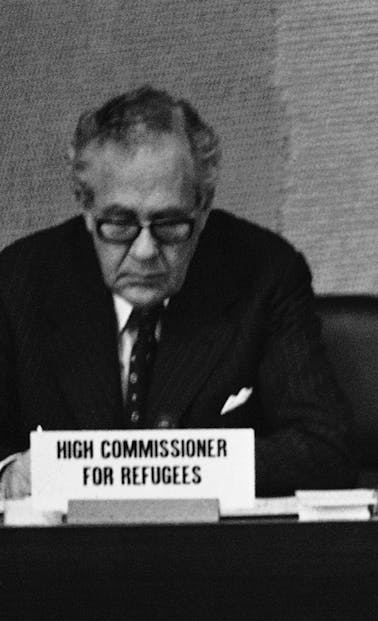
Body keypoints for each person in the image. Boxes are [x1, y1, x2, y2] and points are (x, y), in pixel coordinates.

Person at [0, 86, 352, 497]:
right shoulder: (19, 281)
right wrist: (10, 472)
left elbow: (325, 452)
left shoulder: (265, 272)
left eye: (169, 225)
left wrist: (151, 470)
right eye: (119, 224)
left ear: (203, 207)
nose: (146, 251)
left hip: (211, 556)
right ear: (85, 205)